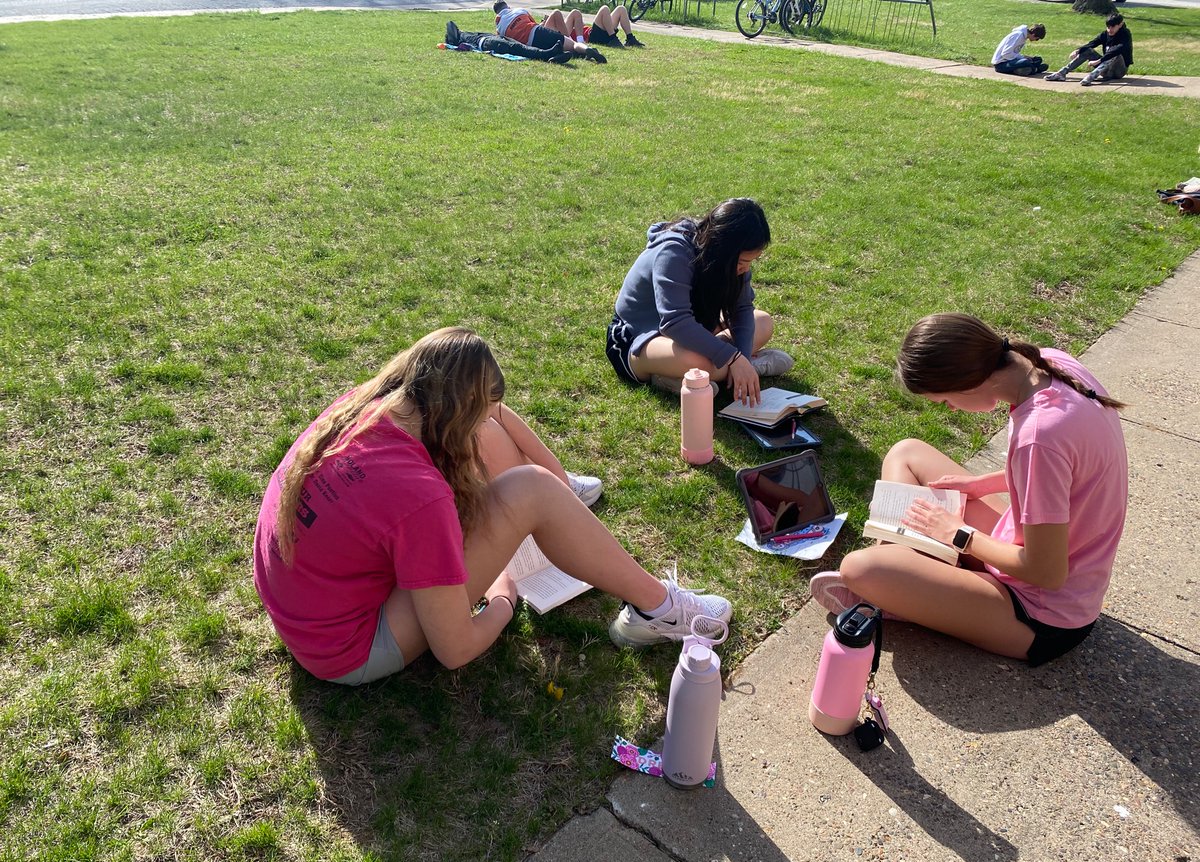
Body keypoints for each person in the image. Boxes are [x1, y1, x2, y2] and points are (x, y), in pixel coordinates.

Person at [253, 327, 732, 685]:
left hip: (301, 607)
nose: (486, 423)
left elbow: (489, 413)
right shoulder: (420, 495)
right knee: (532, 491)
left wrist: (552, 480)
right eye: (478, 418)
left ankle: (559, 501)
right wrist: (503, 596)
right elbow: (454, 649)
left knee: (533, 483)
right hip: (349, 649)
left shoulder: (373, 405)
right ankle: (660, 610)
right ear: (456, 418)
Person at [809, 313, 1128, 667]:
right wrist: (982, 484)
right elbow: (1069, 468)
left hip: (1043, 615)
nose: (949, 408)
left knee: (859, 569)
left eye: (945, 401)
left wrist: (958, 534)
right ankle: (911, 572)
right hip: (1032, 554)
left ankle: (904, 579)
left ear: (966, 383)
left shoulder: (1039, 436)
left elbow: (1047, 572)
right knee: (907, 453)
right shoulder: (1048, 363)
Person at [605, 198, 795, 406]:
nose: (746, 269)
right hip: (640, 340)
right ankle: (723, 371)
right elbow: (675, 322)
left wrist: (742, 358)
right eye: (742, 262)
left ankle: (701, 376)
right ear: (723, 250)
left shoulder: (726, 258)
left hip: (692, 331)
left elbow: (742, 309)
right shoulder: (673, 251)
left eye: (751, 262)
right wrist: (733, 357)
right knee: (699, 361)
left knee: (762, 321)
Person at [493, 1, 607, 64]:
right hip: (537, 32)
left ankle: (567, 52)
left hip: (530, 46)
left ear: (497, 13)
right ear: (508, 7)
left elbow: (504, 40)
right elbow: (535, 26)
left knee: (554, 48)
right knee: (572, 44)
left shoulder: (499, 27)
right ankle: (586, 49)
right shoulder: (519, 11)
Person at [1044, 13, 1133, 85]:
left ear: (1120, 25)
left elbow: (1119, 48)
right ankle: (1061, 73)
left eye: (1113, 27)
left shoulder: (1125, 34)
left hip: (1119, 71)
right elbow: (1093, 43)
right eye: (1108, 27)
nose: (1110, 30)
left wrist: (1099, 61)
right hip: (1105, 69)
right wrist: (1078, 50)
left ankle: (1091, 77)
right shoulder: (1105, 34)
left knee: (1115, 53)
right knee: (1088, 50)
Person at [444, 20, 572, 64]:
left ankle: (551, 56)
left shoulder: (465, 35)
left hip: (493, 39)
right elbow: (450, 25)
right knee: (517, 48)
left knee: (519, 46)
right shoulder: (459, 38)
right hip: (488, 42)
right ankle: (547, 54)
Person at [562, 5, 645, 48]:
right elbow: (574, 14)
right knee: (604, 9)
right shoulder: (562, 32)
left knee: (621, 9)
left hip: (600, 34)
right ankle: (613, 38)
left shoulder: (573, 24)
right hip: (593, 37)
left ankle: (630, 38)